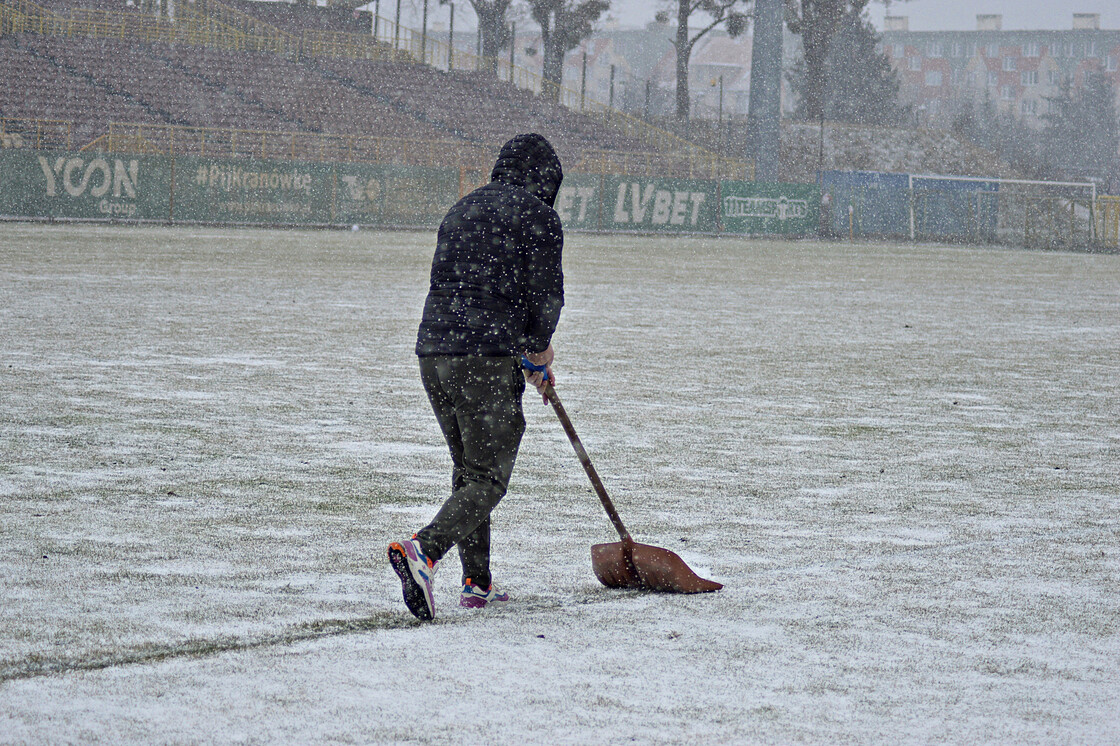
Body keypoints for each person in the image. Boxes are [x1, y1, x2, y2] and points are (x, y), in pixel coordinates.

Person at [388, 133, 564, 622]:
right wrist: (539, 353)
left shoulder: (462, 209)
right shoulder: (539, 216)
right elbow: (544, 298)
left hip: (434, 351)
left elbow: (458, 283)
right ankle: (424, 551)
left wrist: (525, 356)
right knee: (487, 475)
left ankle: (477, 581)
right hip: (484, 353)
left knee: (468, 468)